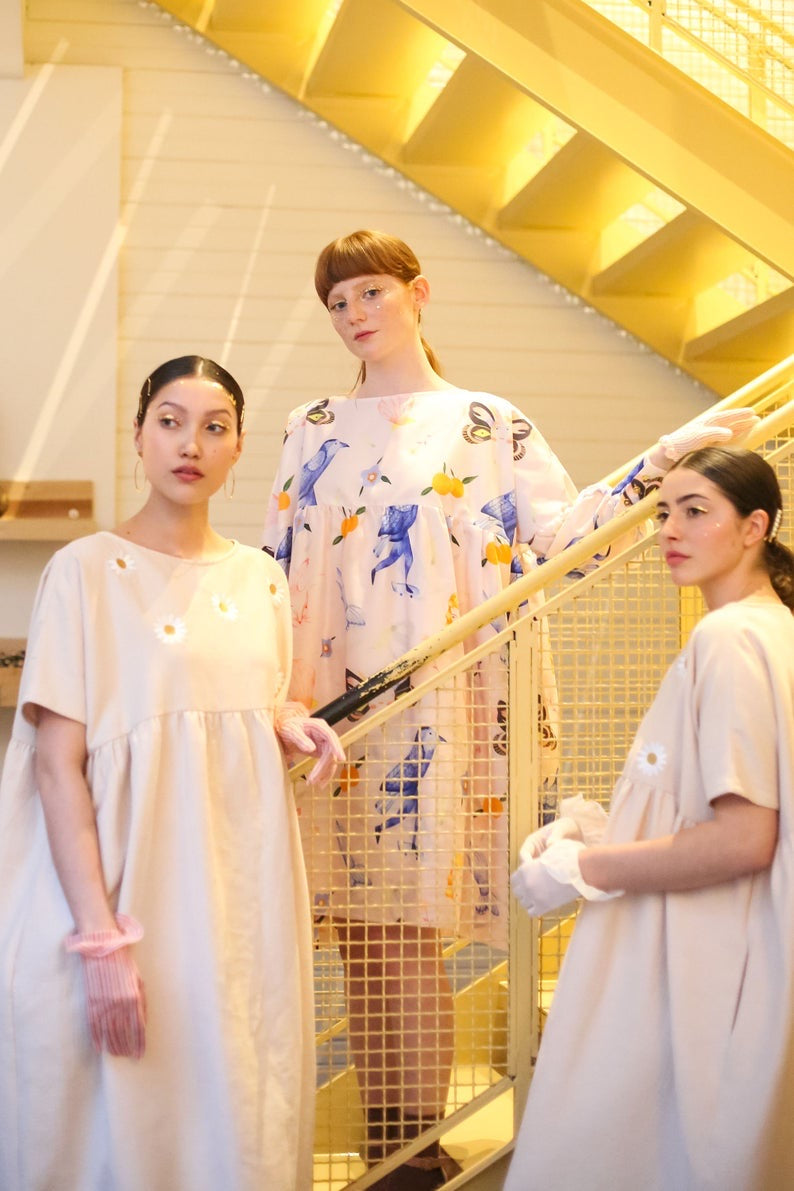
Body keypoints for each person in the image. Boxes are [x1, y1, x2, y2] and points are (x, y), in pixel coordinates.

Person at [262, 229, 757, 1188]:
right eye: (338, 302)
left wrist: (664, 459)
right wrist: (274, 693)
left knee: (414, 927)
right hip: (336, 714)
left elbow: (566, 534)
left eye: (370, 293)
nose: (356, 314)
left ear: (418, 293)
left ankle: (415, 1150)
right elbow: (279, 566)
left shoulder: (487, 422)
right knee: (366, 934)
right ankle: (389, 1143)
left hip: (451, 708)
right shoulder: (310, 424)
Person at [0, 356, 344, 1191]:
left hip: (235, 905)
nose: (192, 441)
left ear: (236, 448)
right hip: (116, 898)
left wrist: (289, 722)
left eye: (215, 425)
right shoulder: (82, 570)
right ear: (140, 435)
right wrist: (101, 943)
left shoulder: (262, 577)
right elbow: (57, 764)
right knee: (107, 1127)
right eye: (170, 419)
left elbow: (237, 702)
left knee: (233, 1106)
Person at [508, 445, 794, 1191]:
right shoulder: (766, 629)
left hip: (699, 958)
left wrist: (581, 868)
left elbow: (744, 837)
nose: (670, 528)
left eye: (696, 511)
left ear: (754, 526)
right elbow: (714, 809)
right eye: (664, 510)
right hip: (716, 946)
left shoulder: (729, 638)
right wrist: (597, 830)